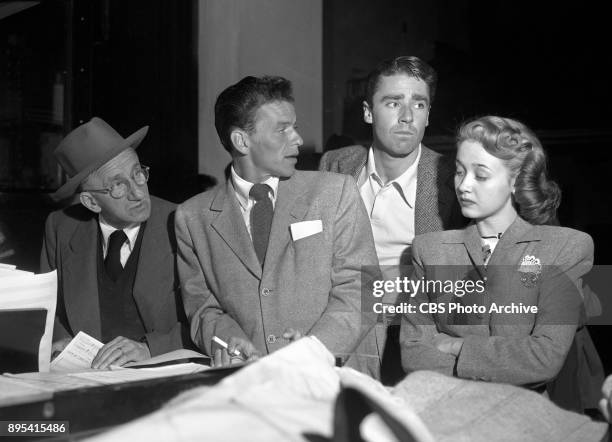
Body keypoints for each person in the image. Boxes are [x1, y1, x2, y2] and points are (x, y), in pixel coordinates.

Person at [175, 76, 380, 374]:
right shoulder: (192, 218)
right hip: (248, 385)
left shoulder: (335, 193)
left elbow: (365, 289)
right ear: (241, 141)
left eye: (294, 127)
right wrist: (228, 341)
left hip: (333, 379)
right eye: (282, 129)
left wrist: (316, 349)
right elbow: (202, 308)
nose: (297, 138)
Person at [400, 115, 603, 411]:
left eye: (480, 175)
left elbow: (544, 357)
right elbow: (414, 353)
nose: (464, 186)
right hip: (446, 414)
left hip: (526, 420)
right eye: (459, 172)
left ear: (516, 180)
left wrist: (459, 346)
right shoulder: (429, 250)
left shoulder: (565, 247)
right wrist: (506, 359)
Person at [319, 56, 464, 383]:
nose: (407, 116)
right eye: (393, 102)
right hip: (345, 330)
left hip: (418, 337)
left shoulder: (452, 180)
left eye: (419, 104)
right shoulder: (335, 165)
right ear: (369, 112)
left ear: (428, 116)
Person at [41, 117, 191, 369]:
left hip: (164, 375)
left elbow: (214, 314)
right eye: (118, 186)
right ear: (91, 202)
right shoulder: (61, 227)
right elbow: (46, 306)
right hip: (87, 380)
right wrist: (59, 341)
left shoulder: (183, 221)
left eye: (138, 174)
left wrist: (151, 349)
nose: (138, 192)